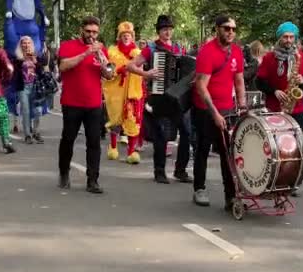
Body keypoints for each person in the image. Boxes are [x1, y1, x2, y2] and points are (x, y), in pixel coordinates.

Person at [126, 15, 193, 184]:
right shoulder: (151, 49)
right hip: (158, 97)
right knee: (161, 135)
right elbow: (131, 65)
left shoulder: (179, 48)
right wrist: (146, 74)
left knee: (186, 132)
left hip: (176, 99)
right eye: (164, 29)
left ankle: (180, 170)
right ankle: (160, 171)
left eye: (170, 29)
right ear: (159, 31)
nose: (168, 32)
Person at [192, 14, 246, 208]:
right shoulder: (207, 52)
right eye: (226, 28)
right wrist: (214, 113)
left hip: (227, 108)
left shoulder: (237, 52)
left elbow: (239, 81)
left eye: (233, 29)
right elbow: (201, 86)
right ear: (218, 29)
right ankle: (199, 187)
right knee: (203, 149)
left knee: (227, 152)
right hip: (205, 108)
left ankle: (230, 196)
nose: (230, 32)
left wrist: (242, 106)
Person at [57, 16, 113, 193]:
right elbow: (63, 66)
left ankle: (92, 180)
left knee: (94, 142)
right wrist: (86, 53)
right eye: (88, 31)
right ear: (82, 29)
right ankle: (64, 172)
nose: (91, 35)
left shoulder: (101, 49)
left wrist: (105, 66)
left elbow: (110, 75)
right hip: (72, 102)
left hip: (94, 103)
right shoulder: (68, 46)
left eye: (95, 32)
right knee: (68, 140)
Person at [256, 22, 303, 128]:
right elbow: (259, 82)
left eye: (291, 37)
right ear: (279, 37)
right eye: (285, 37)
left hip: (296, 108)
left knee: (296, 142)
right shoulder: (269, 57)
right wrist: (274, 91)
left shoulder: (301, 56)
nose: (288, 40)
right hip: (274, 107)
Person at [104, 21, 143, 164]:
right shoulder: (112, 51)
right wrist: (119, 70)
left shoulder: (138, 53)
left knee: (132, 120)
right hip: (116, 91)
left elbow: (141, 71)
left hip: (132, 91)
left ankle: (131, 152)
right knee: (115, 119)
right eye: (124, 35)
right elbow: (108, 70)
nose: (126, 37)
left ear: (132, 37)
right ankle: (113, 147)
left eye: (129, 35)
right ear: (119, 37)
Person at [14, 36, 44, 144]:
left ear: (31, 44)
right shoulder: (17, 57)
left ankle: (36, 132)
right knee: (26, 111)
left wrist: (35, 61)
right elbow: (14, 74)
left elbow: (41, 72)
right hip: (23, 88)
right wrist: (21, 61)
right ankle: (27, 135)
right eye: (24, 43)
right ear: (20, 45)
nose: (26, 45)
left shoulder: (36, 56)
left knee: (38, 111)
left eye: (28, 43)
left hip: (35, 87)